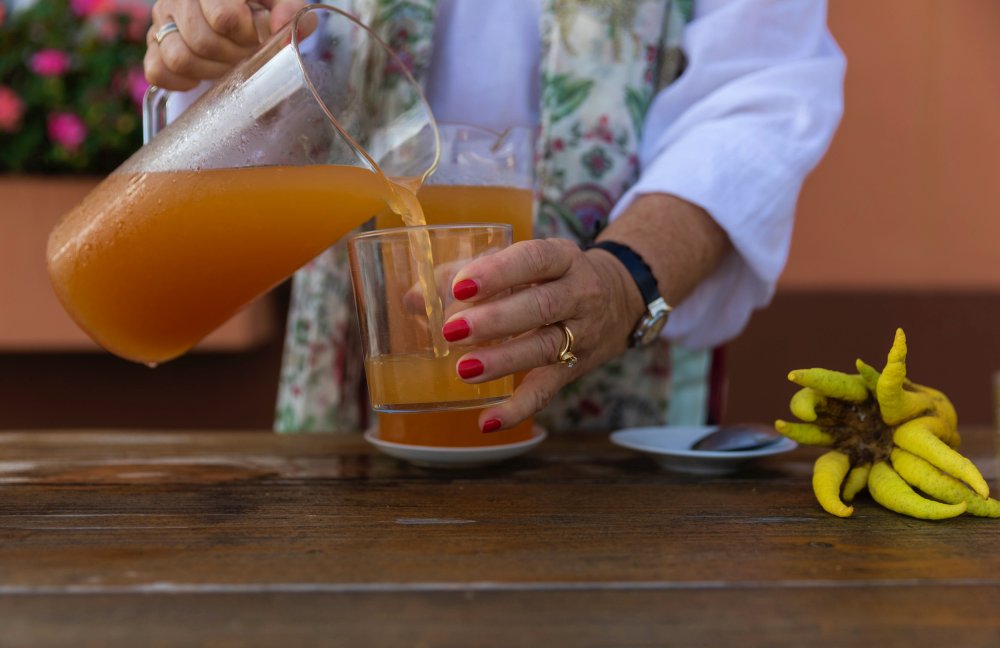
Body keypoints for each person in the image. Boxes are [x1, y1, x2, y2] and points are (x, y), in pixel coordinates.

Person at [144, 0, 846, 434]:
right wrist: (210, 32)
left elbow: (761, 92)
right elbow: (259, 65)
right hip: (348, 354)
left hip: (621, 395)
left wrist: (625, 278)